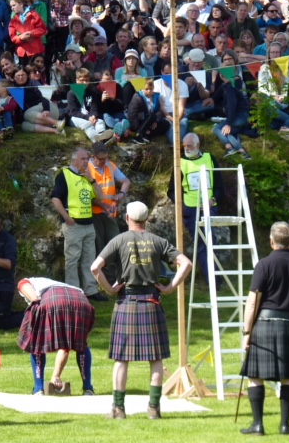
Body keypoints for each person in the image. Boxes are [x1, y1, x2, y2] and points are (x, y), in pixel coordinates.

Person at [91, 201, 193, 419]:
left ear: (127, 218)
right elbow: (186, 263)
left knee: (121, 359)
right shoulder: (158, 241)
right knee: (156, 358)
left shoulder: (118, 240)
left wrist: (109, 289)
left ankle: (118, 409)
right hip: (151, 302)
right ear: (146, 220)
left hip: (126, 301)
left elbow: (94, 267)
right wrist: (169, 288)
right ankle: (154, 409)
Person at [239, 221, 289, 436]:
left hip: (264, 324)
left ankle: (258, 425)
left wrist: (247, 332)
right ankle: (285, 425)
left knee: (255, 375)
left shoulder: (263, 265)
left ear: (271, 241)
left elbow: (253, 302)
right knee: (288, 376)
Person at [17, 277, 96, 395]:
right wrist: (56, 376)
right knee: (80, 344)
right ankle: (88, 389)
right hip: (82, 302)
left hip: (53, 299)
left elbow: (23, 285)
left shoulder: (30, 281)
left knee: (36, 343)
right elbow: (65, 347)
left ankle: (38, 389)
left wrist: (36, 302)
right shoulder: (59, 284)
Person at [51, 148, 108, 302]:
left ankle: (90, 290)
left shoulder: (86, 177)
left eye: (87, 159)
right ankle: (73, 291)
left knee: (89, 258)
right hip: (73, 224)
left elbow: (100, 197)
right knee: (72, 259)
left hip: (88, 223)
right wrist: (66, 217)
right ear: (74, 160)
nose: (86, 161)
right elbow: (56, 198)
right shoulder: (65, 174)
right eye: (83, 159)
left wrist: (92, 180)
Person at [167, 133, 224, 286]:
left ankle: (216, 276)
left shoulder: (210, 159)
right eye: (184, 146)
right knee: (203, 242)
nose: (186, 148)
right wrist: (182, 205)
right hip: (191, 210)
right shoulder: (180, 163)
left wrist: (213, 200)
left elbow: (219, 185)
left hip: (210, 206)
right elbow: (171, 191)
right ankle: (213, 280)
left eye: (189, 146)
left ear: (198, 145)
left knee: (211, 240)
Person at [87, 142, 130, 279]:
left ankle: (116, 277)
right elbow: (85, 195)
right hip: (94, 214)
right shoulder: (86, 168)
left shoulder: (110, 165)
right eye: (101, 159)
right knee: (99, 247)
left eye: (106, 157)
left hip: (110, 214)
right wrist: (100, 204)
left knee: (114, 245)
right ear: (93, 157)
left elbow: (126, 181)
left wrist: (121, 194)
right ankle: (102, 279)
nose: (105, 161)